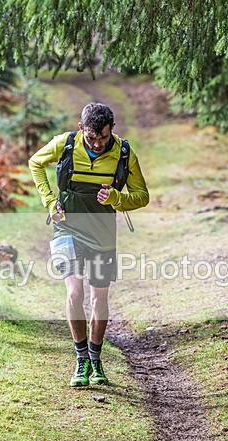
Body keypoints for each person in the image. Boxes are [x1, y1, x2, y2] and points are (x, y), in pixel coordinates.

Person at [28, 102, 150, 387]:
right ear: (81, 128)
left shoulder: (123, 152)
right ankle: (80, 357)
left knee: (99, 299)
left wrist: (116, 200)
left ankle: (96, 360)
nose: (97, 144)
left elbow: (142, 196)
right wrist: (49, 202)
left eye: (103, 137)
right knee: (74, 292)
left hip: (102, 232)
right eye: (91, 137)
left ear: (112, 130)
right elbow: (35, 163)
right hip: (66, 227)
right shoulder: (66, 144)